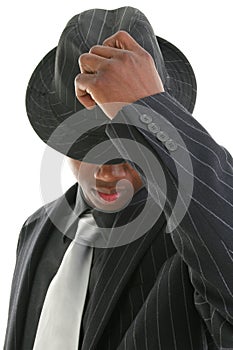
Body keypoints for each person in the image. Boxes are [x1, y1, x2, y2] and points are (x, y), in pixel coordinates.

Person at [4, 6, 233, 350]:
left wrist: (146, 108)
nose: (108, 171)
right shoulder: (35, 229)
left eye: (128, 148)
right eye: (88, 147)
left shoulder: (190, 238)